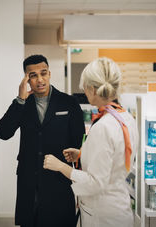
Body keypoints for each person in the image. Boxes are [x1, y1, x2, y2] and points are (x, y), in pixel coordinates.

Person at [43, 57, 138, 227]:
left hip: (102, 215)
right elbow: (114, 158)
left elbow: (96, 183)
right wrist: (82, 154)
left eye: (85, 88)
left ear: (93, 89)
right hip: (119, 206)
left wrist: (60, 166)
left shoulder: (103, 126)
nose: (84, 93)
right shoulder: (126, 118)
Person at [0, 55, 85, 227]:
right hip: (29, 181)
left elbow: (79, 140)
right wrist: (19, 100)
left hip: (59, 180)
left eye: (43, 73)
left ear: (49, 73)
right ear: (26, 80)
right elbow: (3, 132)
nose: (40, 79)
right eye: (33, 75)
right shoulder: (23, 104)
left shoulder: (69, 102)